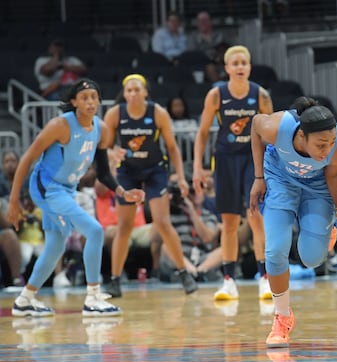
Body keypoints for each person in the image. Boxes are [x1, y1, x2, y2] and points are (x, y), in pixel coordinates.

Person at [5, 78, 145, 317]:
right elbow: (27, 158)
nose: (90, 102)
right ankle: (93, 297)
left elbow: (102, 172)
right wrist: (14, 200)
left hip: (67, 189)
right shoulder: (60, 125)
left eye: (93, 97)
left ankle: (25, 298)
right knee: (95, 230)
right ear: (74, 102)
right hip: (47, 188)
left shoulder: (101, 129)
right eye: (84, 98)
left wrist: (122, 192)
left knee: (56, 246)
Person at [249, 97, 337, 347]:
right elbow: (255, 126)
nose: (327, 150)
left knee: (311, 259)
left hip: (318, 187)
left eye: (331, 143)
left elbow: (334, 178)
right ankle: (282, 317)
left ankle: (327, 227)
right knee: (274, 250)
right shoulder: (277, 126)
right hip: (280, 179)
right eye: (321, 145)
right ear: (301, 136)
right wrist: (259, 177)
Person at [102, 73, 198, 298]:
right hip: (127, 171)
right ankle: (115, 280)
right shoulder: (115, 114)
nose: (133, 94)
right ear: (124, 94)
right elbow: (104, 146)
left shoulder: (158, 113)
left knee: (163, 223)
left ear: (145, 92)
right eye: (129, 90)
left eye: (137, 90)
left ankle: (184, 273)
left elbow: (173, 148)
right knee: (124, 226)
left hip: (154, 170)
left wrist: (181, 177)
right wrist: (111, 152)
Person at [192, 45, 274, 301]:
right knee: (228, 222)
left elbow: (271, 133)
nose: (240, 67)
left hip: (253, 159)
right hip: (225, 159)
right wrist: (196, 167)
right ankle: (229, 281)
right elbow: (203, 132)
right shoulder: (216, 94)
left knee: (256, 216)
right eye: (235, 63)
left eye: (244, 63)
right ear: (226, 68)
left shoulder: (260, 95)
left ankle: (265, 278)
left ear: (249, 67)